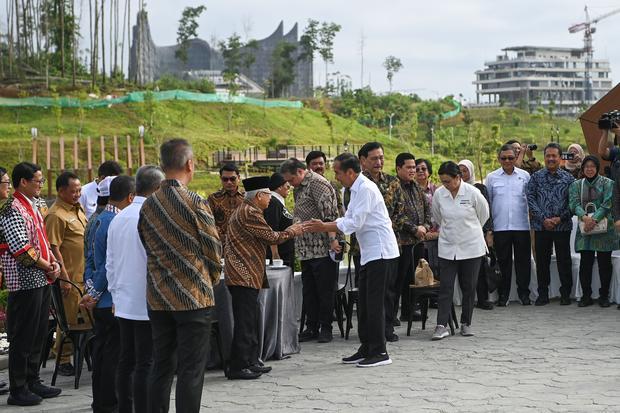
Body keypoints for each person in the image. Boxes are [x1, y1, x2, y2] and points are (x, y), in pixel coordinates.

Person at [138, 139, 222, 413]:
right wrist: (212, 277)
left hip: (159, 298)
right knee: (190, 370)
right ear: (189, 164)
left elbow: (146, 244)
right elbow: (212, 248)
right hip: (193, 298)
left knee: (161, 366)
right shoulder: (194, 201)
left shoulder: (148, 206)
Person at [304, 152, 399, 367]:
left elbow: (354, 223)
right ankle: (367, 347)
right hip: (368, 253)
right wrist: (328, 225)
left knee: (374, 304)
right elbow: (348, 218)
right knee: (364, 303)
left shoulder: (365, 188)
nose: (335, 176)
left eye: (337, 172)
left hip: (381, 252)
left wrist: (324, 226)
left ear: (350, 172)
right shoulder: (352, 189)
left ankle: (380, 351)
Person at [225, 176, 303, 380]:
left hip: (247, 273)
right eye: (268, 195)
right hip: (243, 274)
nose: (270, 199)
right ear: (259, 196)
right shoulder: (250, 212)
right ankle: (238, 366)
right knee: (245, 322)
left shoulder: (247, 210)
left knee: (250, 321)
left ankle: (250, 361)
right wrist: (293, 230)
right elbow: (272, 237)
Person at [0, 162, 62, 406]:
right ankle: (18, 388)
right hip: (25, 280)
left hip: (41, 277)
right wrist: (49, 266)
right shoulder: (12, 209)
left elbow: (43, 240)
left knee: (38, 333)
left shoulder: (33, 206)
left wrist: (54, 262)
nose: (41, 185)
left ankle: (33, 380)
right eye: (37, 181)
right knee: (23, 336)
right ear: (23, 182)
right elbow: (21, 250)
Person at [106, 166, 164, 413]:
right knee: (146, 363)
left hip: (124, 300)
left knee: (127, 360)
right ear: (158, 189)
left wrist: (116, 294)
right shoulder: (151, 215)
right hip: (146, 301)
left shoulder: (119, 216)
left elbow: (110, 262)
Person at [81, 175, 135, 413]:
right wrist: (95, 292)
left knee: (102, 353)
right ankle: (110, 403)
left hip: (98, 296)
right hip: (110, 298)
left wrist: (89, 288)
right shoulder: (116, 221)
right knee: (115, 355)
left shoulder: (95, 219)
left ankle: (100, 402)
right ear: (130, 196)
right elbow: (108, 265)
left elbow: (90, 259)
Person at [280, 158, 340, 343]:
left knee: (325, 290)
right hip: (306, 249)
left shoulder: (318, 184)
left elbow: (330, 216)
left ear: (300, 171)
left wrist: (333, 241)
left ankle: (326, 328)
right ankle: (311, 326)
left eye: (291, 180)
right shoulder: (300, 186)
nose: (289, 185)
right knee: (310, 290)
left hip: (322, 248)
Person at [431, 161, 489, 340]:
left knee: (469, 287)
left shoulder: (472, 193)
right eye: (442, 181)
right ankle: (441, 325)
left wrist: (469, 231)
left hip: (471, 246)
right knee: (446, 287)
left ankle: (466, 322)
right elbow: (438, 217)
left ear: (458, 178)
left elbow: (483, 215)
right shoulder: (439, 194)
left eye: (448, 181)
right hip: (448, 246)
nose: (445, 185)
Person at [358, 142, 407, 342]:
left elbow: (401, 212)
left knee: (388, 290)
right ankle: (369, 333)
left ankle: (387, 328)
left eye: (381, 158)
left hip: (389, 244)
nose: (379, 162)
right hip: (364, 246)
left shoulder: (393, 182)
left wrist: (385, 227)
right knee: (368, 294)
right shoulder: (357, 184)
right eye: (374, 158)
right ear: (362, 161)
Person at [44, 171, 88, 377]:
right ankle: (62, 359)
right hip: (69, 278)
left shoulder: (77, 210)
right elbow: (54, 248)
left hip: (82, 275)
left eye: (79, 190)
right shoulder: (56, 215)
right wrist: (63, 278)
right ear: (61, 191)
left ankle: (79, 353)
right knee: (69, 321)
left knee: (81, 318)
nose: (78, 194)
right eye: (73, 191)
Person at [526, 142, 575, 306]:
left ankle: (566, 294)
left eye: (554, 156)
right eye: (548, 156)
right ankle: (543, 294)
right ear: (544, 157)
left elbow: (573, 203)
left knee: (564, 260)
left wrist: (559, 218)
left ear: (560, 158)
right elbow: (530, 198)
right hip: (541, 227)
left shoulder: (569, 178)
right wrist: (543, 219)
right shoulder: (536, 177)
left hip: (562, 226)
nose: (551, 159)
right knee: (542, 261)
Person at [485, 144, 532, 306]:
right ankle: (503, 295)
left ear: (516, 158)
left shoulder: (525, 176)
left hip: (522, 226)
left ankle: (524, 294)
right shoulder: (491, 178)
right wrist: (489, 229)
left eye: (510, 158)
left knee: (523, 262)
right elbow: (488, 204)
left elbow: (530, 200)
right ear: (499, 159)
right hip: (500, 227)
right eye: (503, 158)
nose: (507, 161)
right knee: (503, 263)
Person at [568, 156, 615, 308]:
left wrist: (593, 220)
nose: (589, 169)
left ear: (597, 168)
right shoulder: (576, 185)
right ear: (582, 168)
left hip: (604, 230)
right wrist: (584, 217)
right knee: (585, 263)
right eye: (586, 166)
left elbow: (608, 203)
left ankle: (604, 296)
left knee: (604, 263)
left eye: (592, 166)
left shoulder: (608, 183)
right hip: (584, 228)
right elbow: (573, 203)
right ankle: (586, 296)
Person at [394, 153, 431, 322]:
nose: (412, 171)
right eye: (408, 167)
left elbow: (427, 211)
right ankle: (392, 314)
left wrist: (425, 227)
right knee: (398, 279)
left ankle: (409, 310)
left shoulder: (416, 187)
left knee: (415, 277)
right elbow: (396, 215)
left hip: (418, 241)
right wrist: (414, 229)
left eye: (413, 168)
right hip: (402, 242)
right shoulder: (394, 187)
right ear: (398, 168)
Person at [458, 160, 494, 310]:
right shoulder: (454, 190)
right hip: (460, 235)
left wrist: (488, 232)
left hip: (478, 234)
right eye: (459, 171)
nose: (462, 174)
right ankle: (467, 299)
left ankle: (483, 298)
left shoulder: (479, 188)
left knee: (480, 268)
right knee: (464, 269)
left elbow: (486, 212)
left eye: (465, 171)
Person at [264, 173, 295, 267]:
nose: (289, 189)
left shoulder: (278, 202)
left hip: (286, 251)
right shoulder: (273, 202)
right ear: (280, 187)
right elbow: (272, 228)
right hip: (280, 255)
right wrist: (275, 254)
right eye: (287, 186)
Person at [207, 163, 244, 242]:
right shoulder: (213, 198)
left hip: (243, 245)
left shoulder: (247, 198)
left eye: (232, 179)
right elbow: (209, 222)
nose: (229, 182)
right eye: (225, 179)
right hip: (220, 244)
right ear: (221, 178)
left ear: (239, 178)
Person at [305, 150, 345, 215]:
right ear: (308, 166)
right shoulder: (302, 186)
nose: (318, 166)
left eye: (321, 163)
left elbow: (339, 206)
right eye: (314, 164)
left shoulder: (331, 185)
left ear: (325, 165)